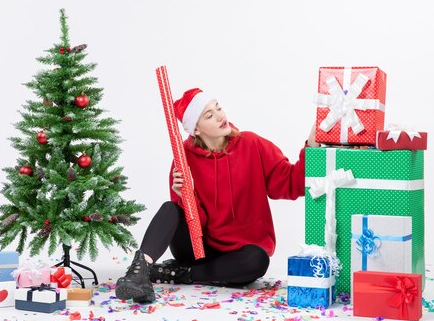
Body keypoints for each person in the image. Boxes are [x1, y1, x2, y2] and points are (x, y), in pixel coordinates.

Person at [115, 88, 320, 303]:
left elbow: (291, 183)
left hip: (239, 254)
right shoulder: (183, 158)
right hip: (198, 248)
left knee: (258, 261)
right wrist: (185, 196)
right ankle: (138, 272)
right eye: (209, 115)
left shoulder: (252, 144)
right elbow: (195, 225)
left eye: (218, 108)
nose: (220, 116)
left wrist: (312, 146)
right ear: (195, 129)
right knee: (170, 208)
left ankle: (181, 274)